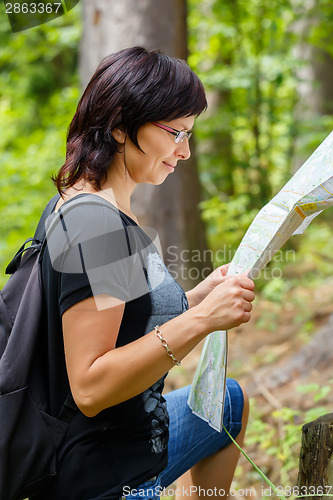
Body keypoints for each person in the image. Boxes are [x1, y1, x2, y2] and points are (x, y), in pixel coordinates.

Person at [35, 46, 255, 500]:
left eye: (189, 134)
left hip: (133, 443)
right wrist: (203, 320)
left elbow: (123, 317)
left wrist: (200, 297)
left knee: (228, 402)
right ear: (119, 125)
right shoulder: (97, 227)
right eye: (176, 133)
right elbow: (91, 386)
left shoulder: (90, 203)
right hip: (108, 478)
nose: (186, 151)